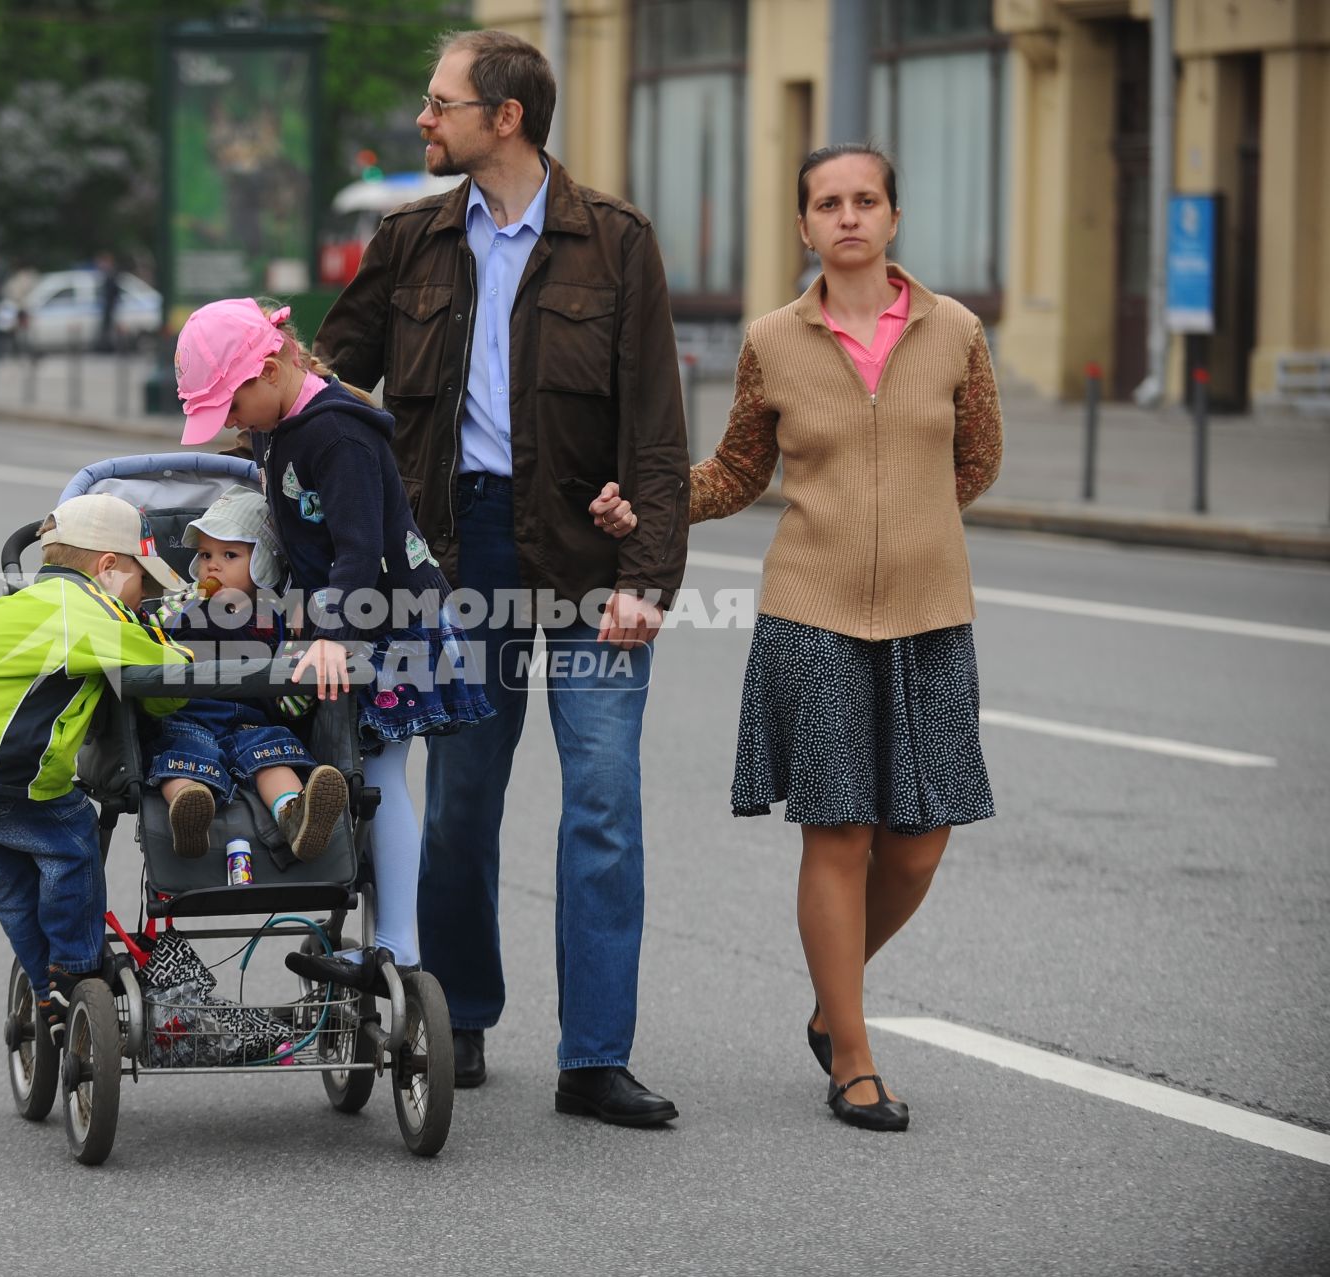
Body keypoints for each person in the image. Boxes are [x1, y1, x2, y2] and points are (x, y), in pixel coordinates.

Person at [313, 29, 689, 1126]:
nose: (423, 121)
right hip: (452, 558)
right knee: (462, 803)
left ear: (506, 116)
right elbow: (330, 396)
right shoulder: (410, 239)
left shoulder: (616, 243)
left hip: (583, 556)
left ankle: (594, 1058)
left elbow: (659, 436)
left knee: (605, 803)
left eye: (440, 104)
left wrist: (648, 574)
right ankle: (457, 1015)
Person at [600, 144, 1004, 1132]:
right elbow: (737, 470)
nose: (849, 215)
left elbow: (978, 458)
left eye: (866, 199)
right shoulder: (773, 341)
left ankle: (834, 994)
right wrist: (647, 508)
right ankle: (854, 1057)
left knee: (920, 840)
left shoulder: (956, 331)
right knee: (842, 832)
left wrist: (906, 526)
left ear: (894, 217)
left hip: (931, 613)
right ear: (805, 225)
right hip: (810, 610)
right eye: (829, 202)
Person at [172, 297, 495, 990]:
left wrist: (334, 637)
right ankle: (385, 939)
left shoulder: (338, 436)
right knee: (358, 775)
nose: (228, 421)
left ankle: (400, 949)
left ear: (269, 367)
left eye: (230, 404)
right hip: (344, 619)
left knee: (378, 778)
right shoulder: (278, 424)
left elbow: (357, 548)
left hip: (388, 617)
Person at [0, 492, 193, 1034]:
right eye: (142, 582)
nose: (144, 596)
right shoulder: (89, 612)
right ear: (108, 567)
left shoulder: (33, 600)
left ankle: (47, 993)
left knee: (11, 882)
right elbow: (170, 688)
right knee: (71, 836)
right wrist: (168, 639)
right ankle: (76, 974)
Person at [145, 485, 349, 862]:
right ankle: (190, 809)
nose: (212, 566)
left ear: (263, 565)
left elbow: (289, 703)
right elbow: (148, 643)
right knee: (184, 757)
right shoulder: (183, 603)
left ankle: (295, 815)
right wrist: (170, 616)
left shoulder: (280, 621)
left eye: (229, 555)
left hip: (253, 724)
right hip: (192, 717)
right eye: (205, 555)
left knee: (273, 757)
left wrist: (298, 687)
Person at [95, 251, 122, 353]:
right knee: (107, 328)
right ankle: (106, 346)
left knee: (109, 329)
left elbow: (114, 291)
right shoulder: (108, 274)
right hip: (109, 307)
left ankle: (108, 347)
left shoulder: (111, 275)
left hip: (110, 307)